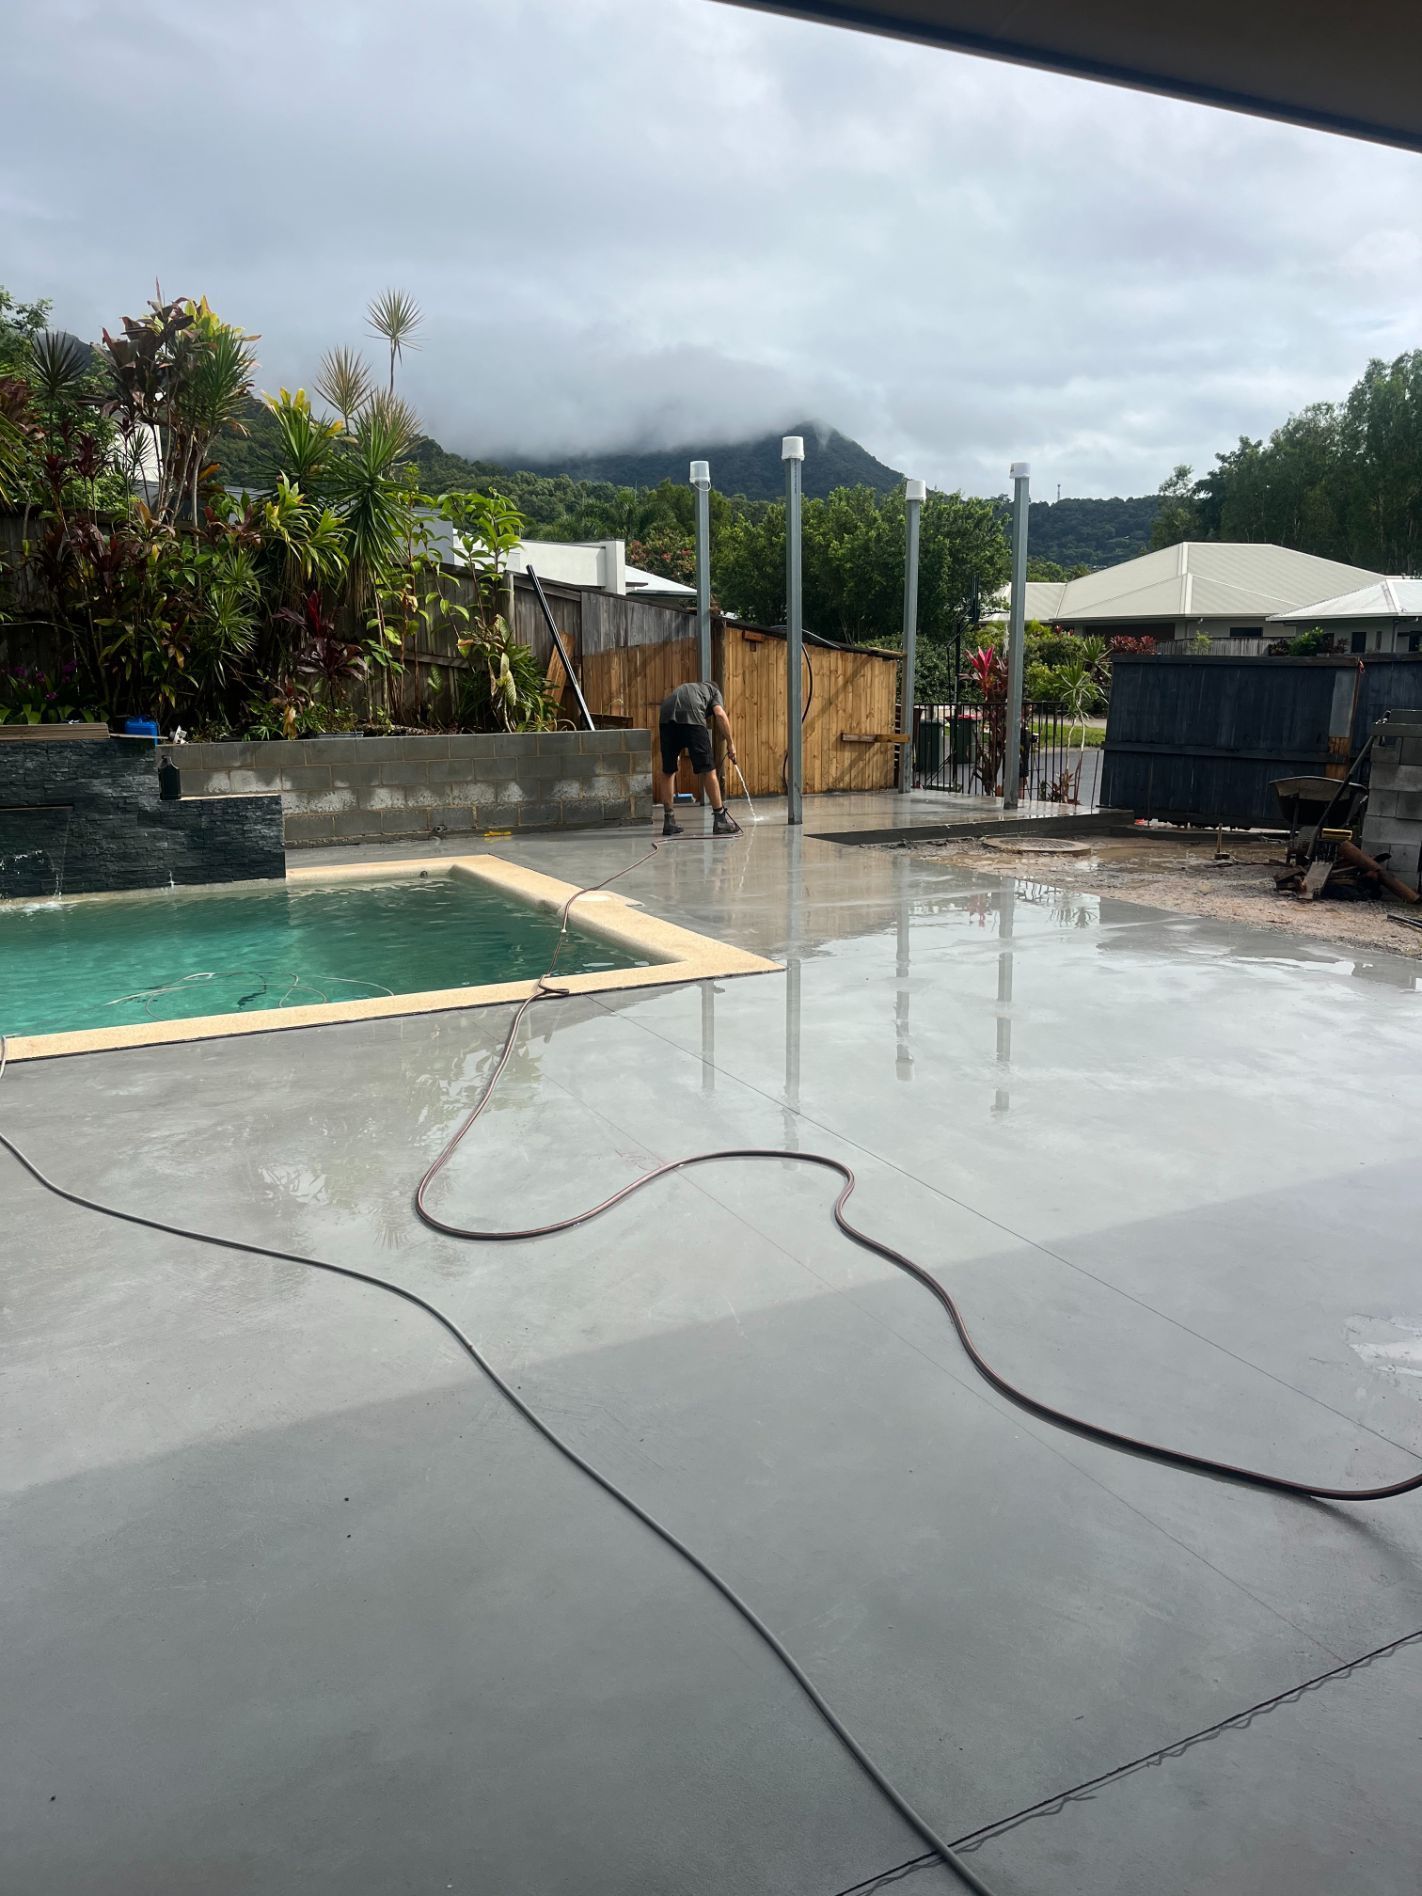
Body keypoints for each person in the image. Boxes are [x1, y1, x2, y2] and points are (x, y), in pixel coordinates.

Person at [656, 679, 741, 837]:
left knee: (668, 770)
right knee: (708, 769)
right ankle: (720, 819)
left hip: (666, 717)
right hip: (692, 716)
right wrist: (731, 744)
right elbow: (720, 714)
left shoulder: (693, 688)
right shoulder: (714, 691)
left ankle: (669, 821)